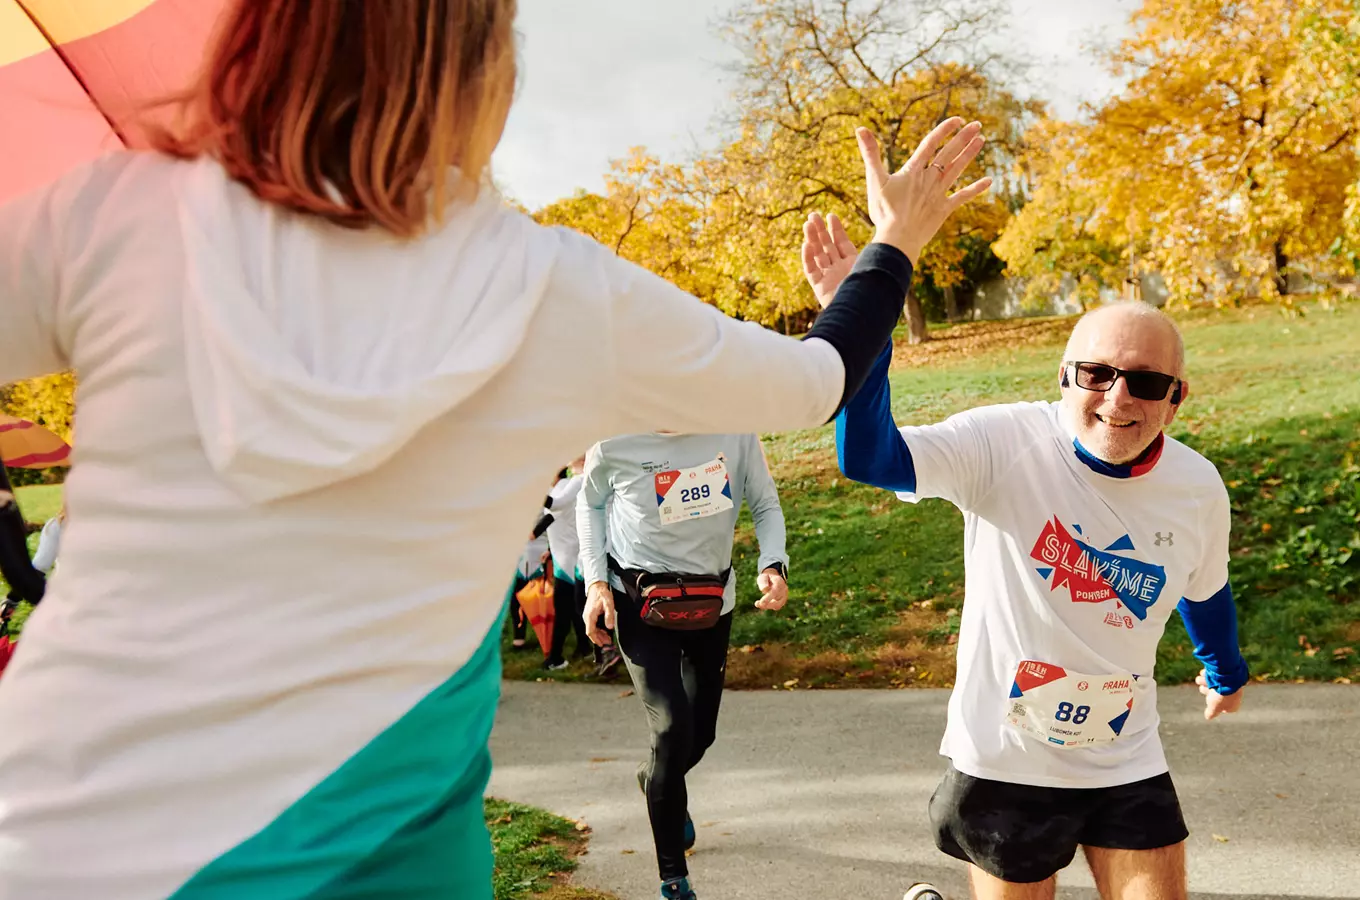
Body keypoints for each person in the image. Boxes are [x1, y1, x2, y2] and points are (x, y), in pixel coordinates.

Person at [0, 0, 994, 895]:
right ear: (485, 76)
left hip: (51, 843)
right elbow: (816, 381)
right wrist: (893, 243)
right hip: (371, 861)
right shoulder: (562, 294)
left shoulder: (123, 212)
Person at [803, 217, 1249, 900]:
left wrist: (1223, 671)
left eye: (1146, 383)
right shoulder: (1002, 441)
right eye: (1096, 374)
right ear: (1064, 377)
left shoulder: (1196, 487)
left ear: (1177, 399)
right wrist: (862, 325)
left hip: (1125, 755)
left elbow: (1205, 591)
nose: (1118, 398)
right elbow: (870, 458)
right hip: (1005, 762)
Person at [578, 432, 791, 900]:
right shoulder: (615, 437)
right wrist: (596, 582)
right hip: (638, 602)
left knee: (699, 734)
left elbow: (765, 502)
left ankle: (654, 776)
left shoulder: (734, 431)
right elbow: (589, 503)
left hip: (710, 602)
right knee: (671, 729)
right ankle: (673, 879)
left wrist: (774, 563)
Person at [539, 461, 592, 670]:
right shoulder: (563, 485)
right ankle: (583, 647)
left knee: (565, 608)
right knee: (570, 607)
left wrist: (532, 490)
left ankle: (556, 657)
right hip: (563, 554)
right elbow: (555, 518)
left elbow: (555, 506)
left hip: (570, 555)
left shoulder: (573, 483)